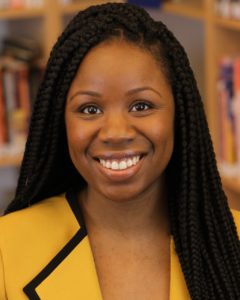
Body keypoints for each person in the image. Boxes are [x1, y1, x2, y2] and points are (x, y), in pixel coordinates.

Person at [0, 2, 239, 299]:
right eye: (89, 109)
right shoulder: (6, 249)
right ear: (60, 121)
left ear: (179, 115)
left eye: (142, 106)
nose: (115, 133)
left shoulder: (231, 246)